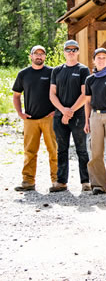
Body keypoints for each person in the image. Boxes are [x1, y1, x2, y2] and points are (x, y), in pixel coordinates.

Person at [12, 46, 57, 191]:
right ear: (31, 56)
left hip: (49, 118)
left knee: (54, 150)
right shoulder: (23, 74)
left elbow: (60, 92)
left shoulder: (52, 73)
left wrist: (56, 111)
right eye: (36, 54)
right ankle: (28, 181)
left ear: (45, 57)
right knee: (29, 151)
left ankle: (57, 180)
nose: (39, 56)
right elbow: (16, 95)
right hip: (30, 120)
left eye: (42, 54)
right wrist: (20, 113)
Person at [49, 40, 90, 193]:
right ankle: (61, 181)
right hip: (60, 116)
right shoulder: (57, 70)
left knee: (82, 149)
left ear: (78, 52)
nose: (71, 52)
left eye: (74, 49)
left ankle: (86, 181)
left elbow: (85, 94)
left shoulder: (83, 70)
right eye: (68, 49)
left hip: (78, 115)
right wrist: (63, 111)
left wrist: (70, 111)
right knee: (62, 149)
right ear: (64, 52)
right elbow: (52, 94)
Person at [84, 48, 106, 195]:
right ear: (94, 60)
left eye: (104, 57)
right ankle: (98, 184)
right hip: (95, 116)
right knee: (96, 152)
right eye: (98, 57)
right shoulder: (90, 79)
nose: (101, 60)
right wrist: (87, 121)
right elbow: (87, 102)